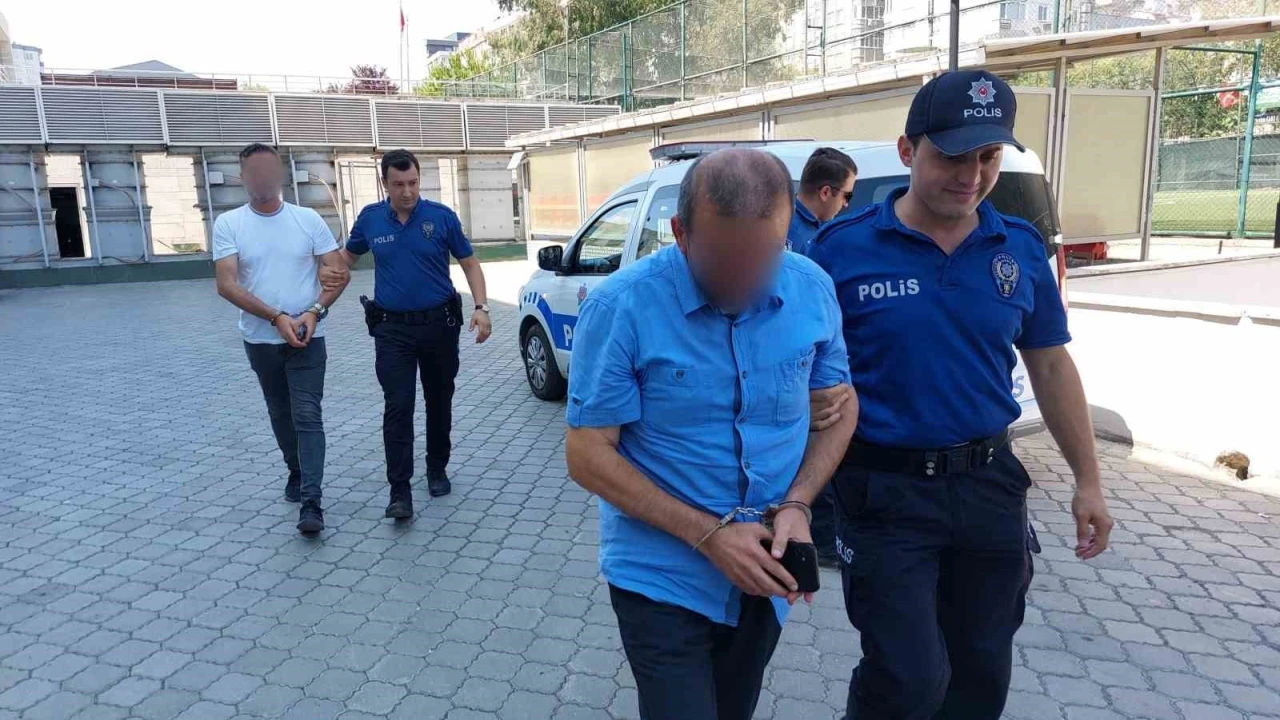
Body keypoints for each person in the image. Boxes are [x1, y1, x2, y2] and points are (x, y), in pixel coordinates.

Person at [805, 70, 1115, 719]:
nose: (972, 175)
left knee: (980, 676)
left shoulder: (1018, 249)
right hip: (884, 493)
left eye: (988, 156)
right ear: (907, 150)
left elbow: (1051, 368)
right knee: (908, 678)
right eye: (952, 156)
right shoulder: (840, 251)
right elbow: (798, 367)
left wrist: (1088, 481)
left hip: (988, 489)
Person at [565, 148, 858, 720]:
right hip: (660, 574)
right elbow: (586, 453)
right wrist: (709, 536)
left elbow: (841, 409)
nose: (746, 279)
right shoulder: (621, 307)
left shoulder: (812, 289)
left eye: (765, 256)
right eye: (725, 259)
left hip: (764, 570)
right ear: (681, 233)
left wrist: (798, 503)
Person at [319, 150, 491, 520]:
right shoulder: (370, 219)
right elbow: (345, 260)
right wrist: (325, 274)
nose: (407, 191)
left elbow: (470, 263)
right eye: (398, 185)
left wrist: (481, 307)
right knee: (398, 405)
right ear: (385, 183)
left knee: (439, 400)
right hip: (392, 329)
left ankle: (437, 467)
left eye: (413, 183)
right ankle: (399, 491)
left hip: (439, 325)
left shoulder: (441, 217)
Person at [213, 143, 350, 534]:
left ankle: (312, 501)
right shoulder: (229, 224)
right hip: (260, 340)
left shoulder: (307, 219)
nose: (263, 179)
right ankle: (295, 469)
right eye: (254, 172)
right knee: (280, 412)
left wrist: (314, 311)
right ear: (243, 178)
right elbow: (226, 283)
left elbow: (338, 273)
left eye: (269, 171)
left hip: (307, 336)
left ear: (281, 175)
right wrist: (275, 317)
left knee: (307, 414)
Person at [790, 147, 859, 568]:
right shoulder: (789, 231)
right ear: (827, 191)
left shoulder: (824, 231)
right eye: (847, 195)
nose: (848, 205)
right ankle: (820, 539)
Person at [788, 146, 858, 256]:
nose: (846, 204)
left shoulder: (823, 225)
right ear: (825, 192)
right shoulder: (791, 234)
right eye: (846, 196)